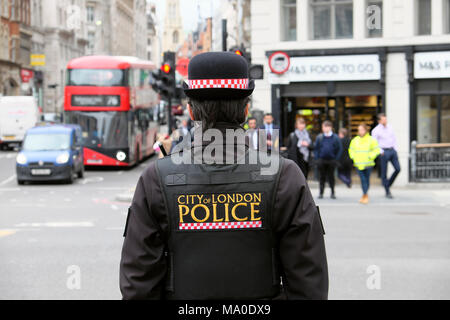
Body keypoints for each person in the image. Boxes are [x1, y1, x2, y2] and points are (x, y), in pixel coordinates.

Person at [120, 52, 328, 300]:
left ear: (191, 112)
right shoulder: (285, 175)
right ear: (245, 111)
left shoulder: (157, 177)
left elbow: (139, 282)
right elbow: (308, 280)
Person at [349, 123, 381, 205]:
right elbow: (351, 150)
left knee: (366, 180)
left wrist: (370, 156)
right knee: (363, 180)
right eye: (359, 130)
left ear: (366, 130)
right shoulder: (355, 140)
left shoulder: (371, 140)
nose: (360, 131)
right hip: (358, 164)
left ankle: (365, 195)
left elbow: (377, 150)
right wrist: (354, 157)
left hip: (368, 164)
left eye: (362, 129)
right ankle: (365, 195)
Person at [371, 114, 401, 199]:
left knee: (398, 169)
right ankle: (387, 191)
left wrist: (395, 149)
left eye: (386, 119)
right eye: (383, 120)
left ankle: (388, 184)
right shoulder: (376, 130)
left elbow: (394, 138)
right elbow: (374, 143)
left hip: (392, 151)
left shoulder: (390, 127)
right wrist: (381, 151)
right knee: (384, 173)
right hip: (384, 152)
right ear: (379, 121)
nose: (385, 121)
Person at [314, 121, 343, 199]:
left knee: (331, 177)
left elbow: (339, 149)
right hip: (321, 160)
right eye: (324, 127)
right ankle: (321, 193)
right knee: (321, 177)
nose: (326, 128)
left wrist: (336, 159)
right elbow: (316, 148)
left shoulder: (335, 137)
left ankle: (332, 192)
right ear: (322, 128)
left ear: (330, 127)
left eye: (327, 127)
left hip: (331, 160)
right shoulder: (319, 137)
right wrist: (317, 159)